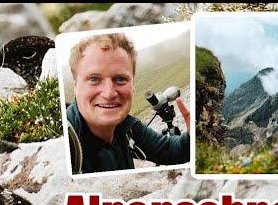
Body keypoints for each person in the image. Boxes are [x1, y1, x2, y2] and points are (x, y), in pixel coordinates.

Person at [66, 33, 190, 174]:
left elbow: (169, 151)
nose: (109, 93)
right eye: (94, 79)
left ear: (133, 85)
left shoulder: (126, 126)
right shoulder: (68, 144)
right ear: (76, 86)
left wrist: (195, 136)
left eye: (120, 79)